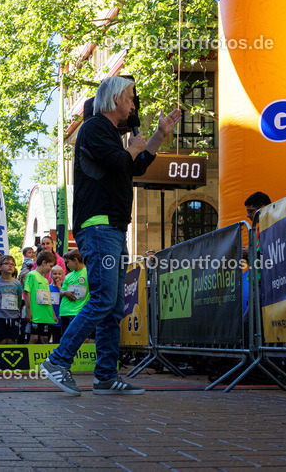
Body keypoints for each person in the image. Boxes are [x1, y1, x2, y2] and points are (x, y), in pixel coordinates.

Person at [42, 75, 180, 396]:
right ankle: (58, 361)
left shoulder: (111, 135)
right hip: (99, 224)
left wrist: (159, 135)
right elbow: (123, 160)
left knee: (114, 305)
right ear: (115, 99)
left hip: (114, 227)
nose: (133, 105)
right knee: (104, 298)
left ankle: (105, 376)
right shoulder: (93, 128)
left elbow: (137, 166)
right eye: (130, 98)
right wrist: (132, 148)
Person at [25, 251, 57, 344]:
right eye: (50, 266)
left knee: (45, 339)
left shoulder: (45, 280)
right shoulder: (32, 275)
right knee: (34, 337)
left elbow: (48, 299)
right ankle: (28, 358)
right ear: (43, 263)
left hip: (45, 315)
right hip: (35, 315)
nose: (50, 269)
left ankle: (44, 358)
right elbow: (27, 292)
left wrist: (53, 315)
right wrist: (28, 311)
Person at [0, 254, 23, 345]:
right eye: (7, 263)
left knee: (11, 341)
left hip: (13, 316)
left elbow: (19, 300)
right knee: (0, 340)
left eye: (12, 264)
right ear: (0, 267)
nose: (10, 266)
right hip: (0, 316)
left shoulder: (17, 283)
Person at [60, 250, 89, 338]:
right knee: (65, 337)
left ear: (75, 260)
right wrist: (66, 292)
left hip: (78, 311)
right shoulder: (68, 276)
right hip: (64, 311)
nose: (67, 265)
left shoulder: (88, 273)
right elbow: (61, 292)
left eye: (68, 262)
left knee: (75, 337)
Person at [50, 266, 65, 343]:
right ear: (51, 275)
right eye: (55, 274)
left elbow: (65, 299)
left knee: (58, 338)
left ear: (62, 275)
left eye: (59, 274)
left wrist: (59, 287)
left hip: (60, 317)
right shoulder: (48, 287)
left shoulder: (64, 287)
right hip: (50, 317)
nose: (57, 276)